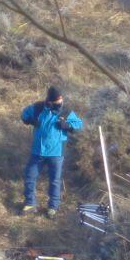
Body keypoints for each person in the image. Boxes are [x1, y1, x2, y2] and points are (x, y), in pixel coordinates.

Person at [21, 86, 82, 217]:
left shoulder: (66, 111)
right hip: (38, 151)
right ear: (50, 100)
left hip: (56, 152)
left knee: (55, 180)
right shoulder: (38, 107)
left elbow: (79, 124)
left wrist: (67, 125)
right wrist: (30, 120)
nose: (60, 102)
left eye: (61, 99)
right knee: (30, 177)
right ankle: (30, 203)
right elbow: (24, 114)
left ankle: (53, 207)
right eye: (58, 100)